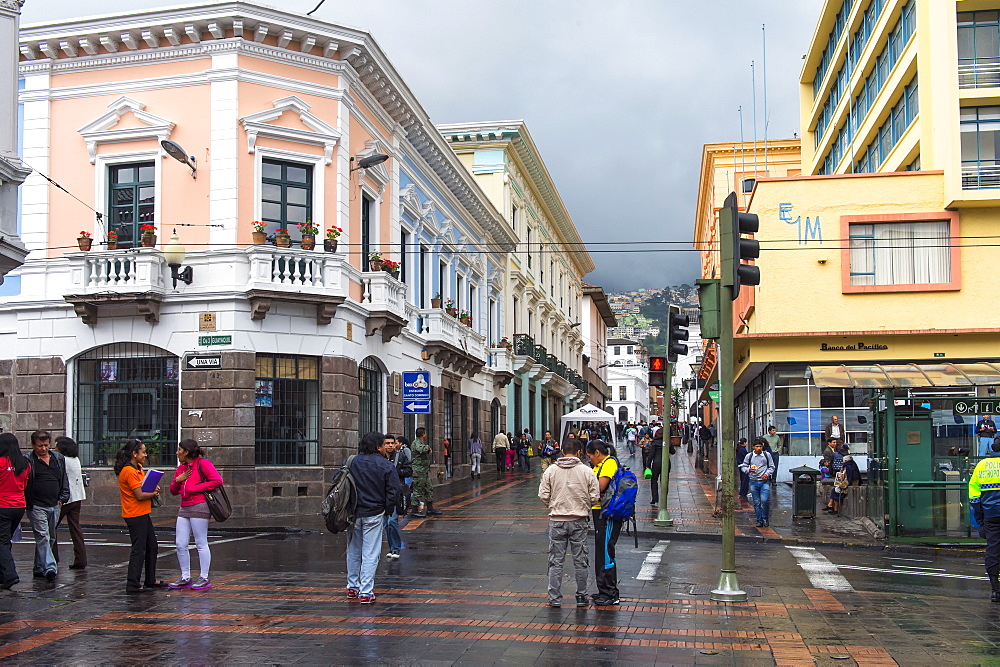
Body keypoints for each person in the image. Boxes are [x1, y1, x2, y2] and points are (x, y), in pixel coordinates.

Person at [538, 437, 600, 608]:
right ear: (579, 452)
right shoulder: (587, 471)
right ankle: (581, 596)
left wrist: (553, 504)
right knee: (580, 560)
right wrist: (585, 505)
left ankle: (554, 598)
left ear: (562, 452)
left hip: (557, 520)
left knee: (555, 561)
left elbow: (543, 494)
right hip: (579, 519)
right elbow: (595, 496)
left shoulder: (551, 470)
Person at [345, 431, 399, 604]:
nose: (386, 447)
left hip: (352, 513)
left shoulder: (350, 462)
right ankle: (366, 592)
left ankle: (352, 587)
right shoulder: (385, 465)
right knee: (370, 553)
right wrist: (388, 509)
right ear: (378, 447)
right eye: (384, 444)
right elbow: (393, 491)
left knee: (353, 550)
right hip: (374, 513)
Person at [168, 439, 223, 591]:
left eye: (179, 450)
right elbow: (173, 491)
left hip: (200, 506)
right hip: (184, 507)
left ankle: (204, 577)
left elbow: (217, 481)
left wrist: (195, 487)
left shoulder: (202, 464)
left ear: (186, 452)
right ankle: (185, 576)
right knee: (180, 543)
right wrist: (177, 481)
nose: (177, 452)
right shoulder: (181, 468)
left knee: (200, 542)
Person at [115, 439, 164, 595]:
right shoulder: (128, 471)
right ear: (134, 454)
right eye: (143, 452)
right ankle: (133, 584)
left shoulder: (138, 468)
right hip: (135, 513)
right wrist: (154, 493)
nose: (145, 455)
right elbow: (140, 495)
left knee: (152, 546)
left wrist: (152, 487)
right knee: (139, 549)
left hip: (142, 512)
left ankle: (150, 579)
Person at [26, 430, 69, 582]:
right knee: (42, 535)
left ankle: (39, 567)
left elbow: (64, 478)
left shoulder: (58, 458)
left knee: (50, 537)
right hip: (37, 505)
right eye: (39, 446)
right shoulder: (28, 460)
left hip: (55, 503)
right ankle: (50, 567)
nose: (43, 449)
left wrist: (63, 497)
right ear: (33, 445)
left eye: (46, 445)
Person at [586, 440, 622, 605]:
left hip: (607, 513)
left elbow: (600, 486)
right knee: (601, 550)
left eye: (590, 456)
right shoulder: (600, 465)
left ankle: (610, 593)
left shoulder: (608, 463)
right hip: (599, 510)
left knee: (606, 551)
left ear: (597, 453)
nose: (590, 459)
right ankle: (603, 590)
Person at [969, 440, 1000, 601]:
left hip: (991, 515)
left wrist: (980, 520)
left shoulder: (982, 466)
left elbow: (974, 497)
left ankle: (996, 590)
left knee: (993, 550)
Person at [0, 433, 30, 590]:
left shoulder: (0, 462)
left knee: (1, 541)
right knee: (5, 540)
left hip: (2, 505)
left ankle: (10, 574)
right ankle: (3, 574)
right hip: (18, 506)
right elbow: (25, 484)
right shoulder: (24, 463)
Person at [54, 436, 87, 570]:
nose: (54, 448)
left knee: (51, 527)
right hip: (77, 497)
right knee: (75, 528)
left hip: (65, 498)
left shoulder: (61, 460)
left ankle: (53, 558)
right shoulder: (75, 460)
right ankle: (81, 559)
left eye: (56, 446)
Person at [740, 438, 775, 527]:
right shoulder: (749, 456)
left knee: (764, 500)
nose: (759, 448)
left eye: (760, 446)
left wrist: (767, 474)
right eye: (757, 446)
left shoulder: (767, 455)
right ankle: (759, 520)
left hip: (764, 481)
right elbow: (743, 466)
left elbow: (772, 467)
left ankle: (765, 518)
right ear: (753, 447)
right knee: (756, 502)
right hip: (753, 481)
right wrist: (748, 470)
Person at [383, 435, 406, 559]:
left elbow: (409, 470)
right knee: (386, 523)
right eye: (387, 443)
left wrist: (397, 472)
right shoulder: (380, 458)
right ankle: (392, 548)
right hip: (383, 494)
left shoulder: (400, 456)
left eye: (392, 443)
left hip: (395, 494)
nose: (390, 445)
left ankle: (396, 548)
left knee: (392, 521)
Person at [410, 427, 439, 517]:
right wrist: (428, 448)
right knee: (418, 490)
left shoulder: (420, 443)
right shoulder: (416, 443)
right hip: (419, 472)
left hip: (424, 472)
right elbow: (421, 449)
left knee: (428, 489)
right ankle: (414, 510)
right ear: (423, 434)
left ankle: (430, 508)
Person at [648, 425, 664, 506]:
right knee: (664, 481)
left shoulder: (655, 443)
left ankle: (655, 498)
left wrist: (648, 466)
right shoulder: (667, 442)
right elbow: (672, 452)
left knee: (654, 480)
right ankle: (664, 498)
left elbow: (650, 455)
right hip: (666, 464)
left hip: (656, 464)